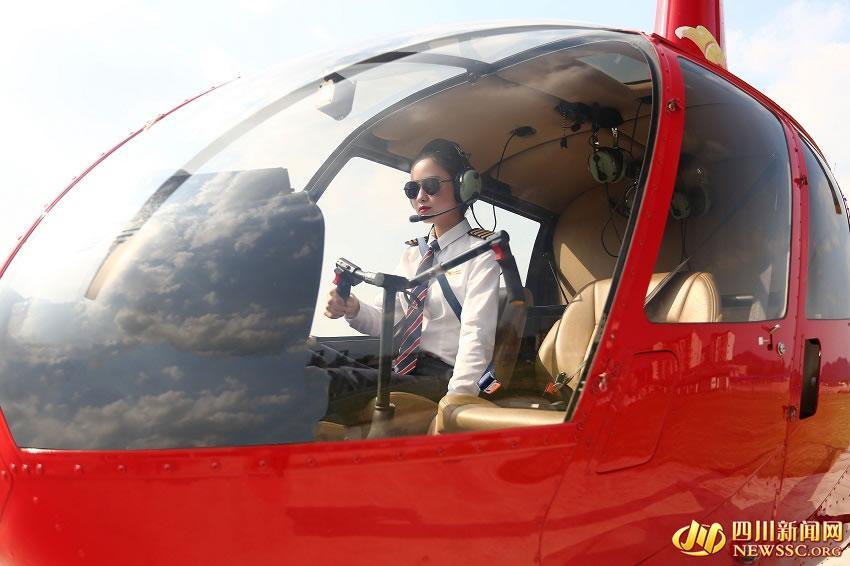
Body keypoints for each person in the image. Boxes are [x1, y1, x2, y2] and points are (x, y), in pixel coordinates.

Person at [321, 138, 500, 419]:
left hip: (441, 376)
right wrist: (352, 308)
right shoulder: (414, 252)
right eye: (412, 189)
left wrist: (456, 401)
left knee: (329, 380)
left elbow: (477, 334)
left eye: (431, 186)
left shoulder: (480, 252)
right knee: (306, 355)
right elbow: (388, 321)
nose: (420, 197)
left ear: (463, 186)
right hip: (401, 369)